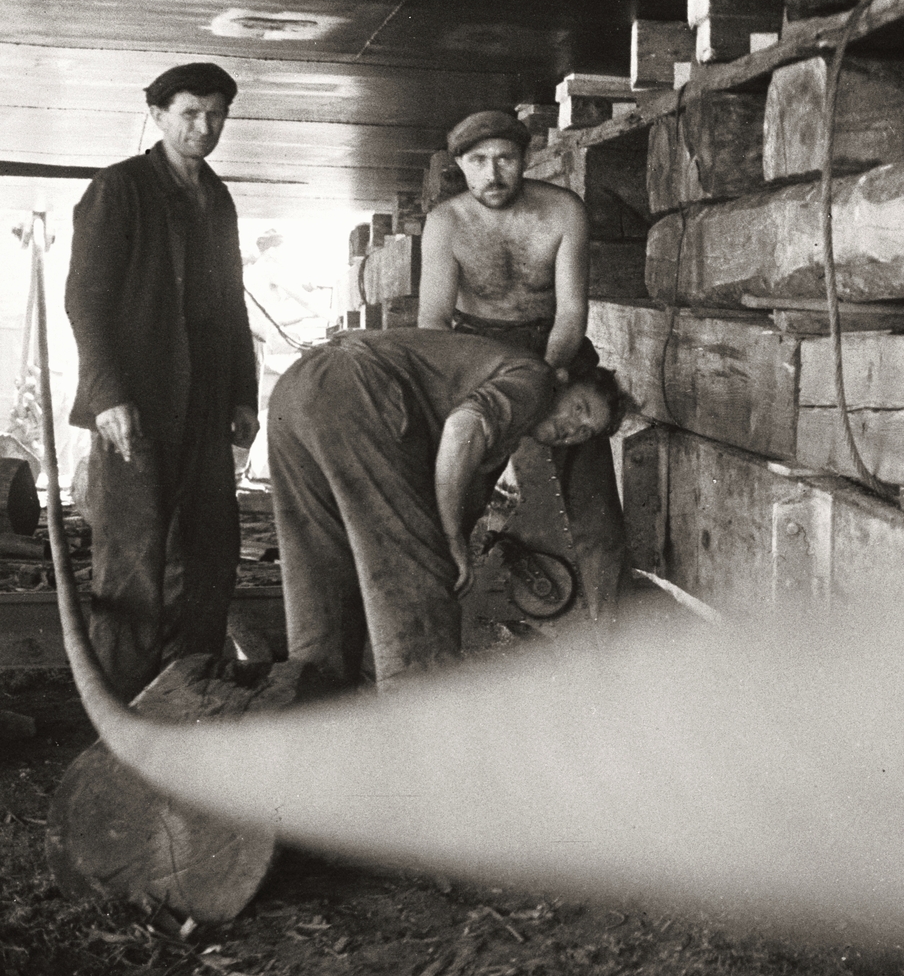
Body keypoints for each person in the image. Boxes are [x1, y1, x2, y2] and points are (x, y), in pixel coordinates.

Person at [267, 328, 625, 692]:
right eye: (579, 408)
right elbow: (462, 428)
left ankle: (314, 716)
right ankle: (427, 735)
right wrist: (452, 540)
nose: (573, 429)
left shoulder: (507, 418)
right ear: (562, 380)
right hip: (359, 391)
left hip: (297, 390)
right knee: (421, 579)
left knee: (320, 575)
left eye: (585, 431)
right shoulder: (537, 380)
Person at [64, 62, 259, 702]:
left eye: (216, 115)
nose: (204, 127)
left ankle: (190, 690)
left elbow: (232, 304)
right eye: (189, 114)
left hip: (203, 405)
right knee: (131, 560)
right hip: (137, 404)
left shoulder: (218, 197)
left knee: (210, 551)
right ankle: (121, 705)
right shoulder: (118, 190)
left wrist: (242, 395)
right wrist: (108, 397)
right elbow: (85, 301)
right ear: (156, 116)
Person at [417, 109, 626, 620]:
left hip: (558, 348)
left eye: (506, 159)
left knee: (595, 510)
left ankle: (612, 640)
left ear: (525, 159)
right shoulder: (446, 223)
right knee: (456, 493)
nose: (493, 174)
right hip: (478, 353)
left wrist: (549, 376)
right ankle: (432, 630)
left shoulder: (561, 210)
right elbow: (433, 321)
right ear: (460, 165)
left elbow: (572, 311)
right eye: (479, 161)